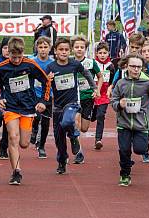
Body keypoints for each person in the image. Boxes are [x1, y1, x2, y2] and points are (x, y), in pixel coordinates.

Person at [0, 37, 50, 185]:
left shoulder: (30, 64)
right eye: (14, 57)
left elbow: (46, 81)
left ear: (23, 53)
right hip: (11, 107)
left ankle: (29, 136)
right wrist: (0, 98)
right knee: (13, 137)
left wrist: (43, 101)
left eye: (19, 57)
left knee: (24, 143)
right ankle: (16, 172)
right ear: (8, 53)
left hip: (28, 106)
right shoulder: (2, 67)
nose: (17, 60)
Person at [46, 38, 97, 175]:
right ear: (55, 51)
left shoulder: (74, 64)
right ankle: (62, 161)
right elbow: (45, 84)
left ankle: (74, 136)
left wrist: (94, 88)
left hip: (72, 103)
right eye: (61, 50)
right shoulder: (51, 67)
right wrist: (47, 82)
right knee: (59, 139)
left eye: (66, 50)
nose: (64, 52)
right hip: (57, 107)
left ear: (70, 51)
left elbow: (86, 74)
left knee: (68, 121)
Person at [111, 54, 149, 186]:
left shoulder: (147, 83)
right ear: (127, 66)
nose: (136, 69)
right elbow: (113, 101)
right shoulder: (121, 83)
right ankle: (125, 174)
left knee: (140, 149)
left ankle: (131, 156)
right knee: (124, 150)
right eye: (133, 66)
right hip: (124, 123)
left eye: (139, 67)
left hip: (141, 124)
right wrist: (119, 105)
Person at [72, 35, 103, 163]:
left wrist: (97, 90)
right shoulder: (69, 62)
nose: (79, 49)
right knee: (76, 125)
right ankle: (79, 152)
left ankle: (76, 134)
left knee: (84, 128)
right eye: (76, 47)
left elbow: (100, 77)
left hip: (87, 97)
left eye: (82, 47)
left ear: (85, 49)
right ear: (72, 49)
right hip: (74, 98)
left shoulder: (91, 63)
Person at [30, 36, 54, 159]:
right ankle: (34, 131)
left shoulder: (52, 63)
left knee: (45, 122)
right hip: (34, 94)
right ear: (37, 48)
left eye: (45, 47)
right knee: (36, 116)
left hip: (47, 95)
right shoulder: (32, 61)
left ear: (50, 48)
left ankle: (42, 146)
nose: (43, 50)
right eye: (40, 47)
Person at [91, 42, 115, 150]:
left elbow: (112, 80)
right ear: (96, 53)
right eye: (100, 53)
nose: (102, 55)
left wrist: (110, 89)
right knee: (92, 117)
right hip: (93, 92)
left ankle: (98, 139)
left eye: (105, 53)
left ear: (108, 53)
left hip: (104, 95)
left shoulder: (111, 66)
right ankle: (93, 114)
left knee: (101, 116)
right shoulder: (93, 64)